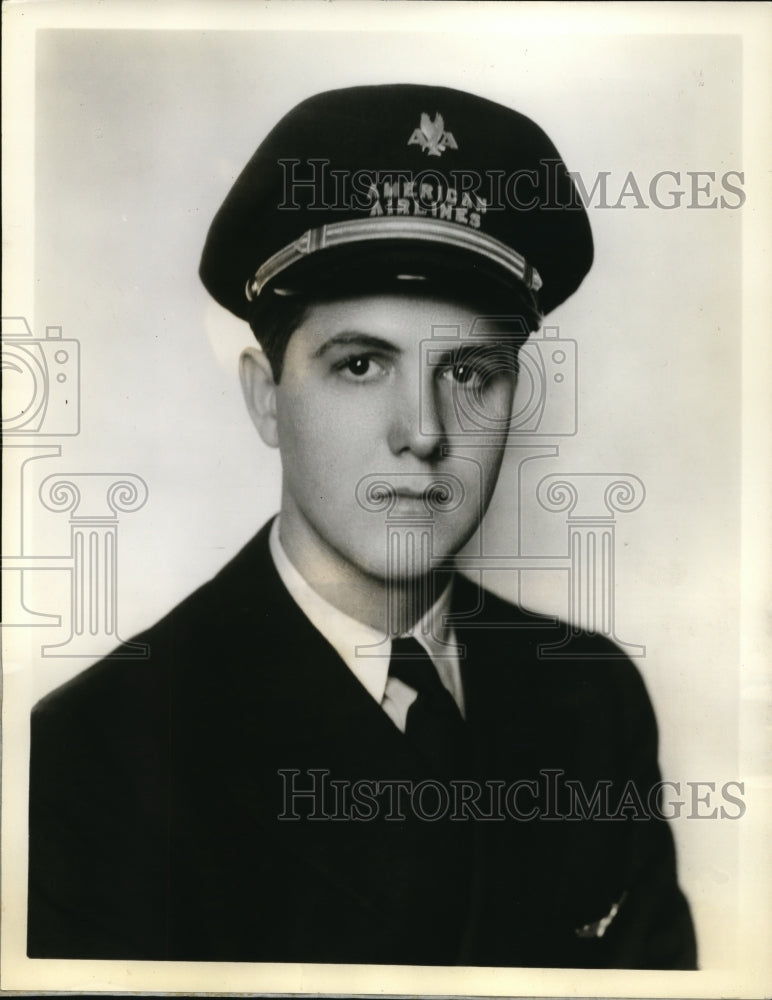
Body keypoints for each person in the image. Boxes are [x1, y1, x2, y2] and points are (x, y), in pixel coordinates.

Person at [27, 83, 697, 968]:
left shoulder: (594, 698)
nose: (422, 431)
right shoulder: (108, 749)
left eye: (470, 371)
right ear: (267, 398)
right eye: (360, 364)